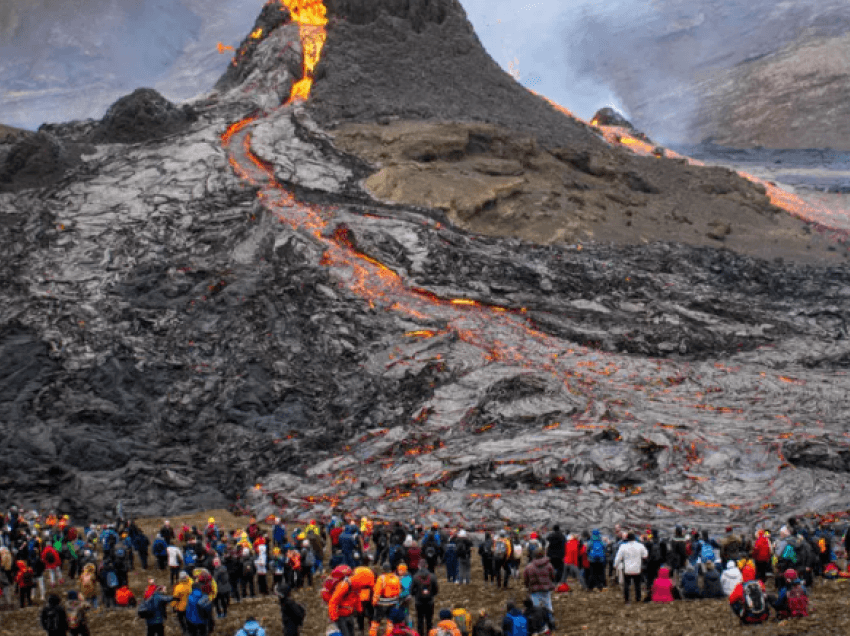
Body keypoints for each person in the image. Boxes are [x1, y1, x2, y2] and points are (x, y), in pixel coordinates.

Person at [613, 532, 647, 603]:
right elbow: (645, 555)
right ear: (635, 538)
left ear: (627, 538)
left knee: (626, 585)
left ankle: (627, 599)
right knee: (637, 584)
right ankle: (638, 598)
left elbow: (618, 557)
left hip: (627, 569)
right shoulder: (640, 545)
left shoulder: (623, 546)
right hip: (637, 568)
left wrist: (615, 565)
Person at [522, 549, 556, 615]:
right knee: (548, 605)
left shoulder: (529, 567)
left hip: (534, 590)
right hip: (546, 588)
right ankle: (550, 620)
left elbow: (526, 579)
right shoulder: (549, 565)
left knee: (535, 607)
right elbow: (553, 576)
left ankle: (538, 621)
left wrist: (527, 587)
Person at [411, 563, 439, 636]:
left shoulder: (415, 577)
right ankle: (429, 633)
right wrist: (431, 594)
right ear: (426, 566)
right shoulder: (432, 576)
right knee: (429, 620)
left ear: (419, 566)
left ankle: (420, 634)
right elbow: (436, 590)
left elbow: (411, 590)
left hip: (419, 601)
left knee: (420, 620)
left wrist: (416, 594)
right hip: (429, 601)